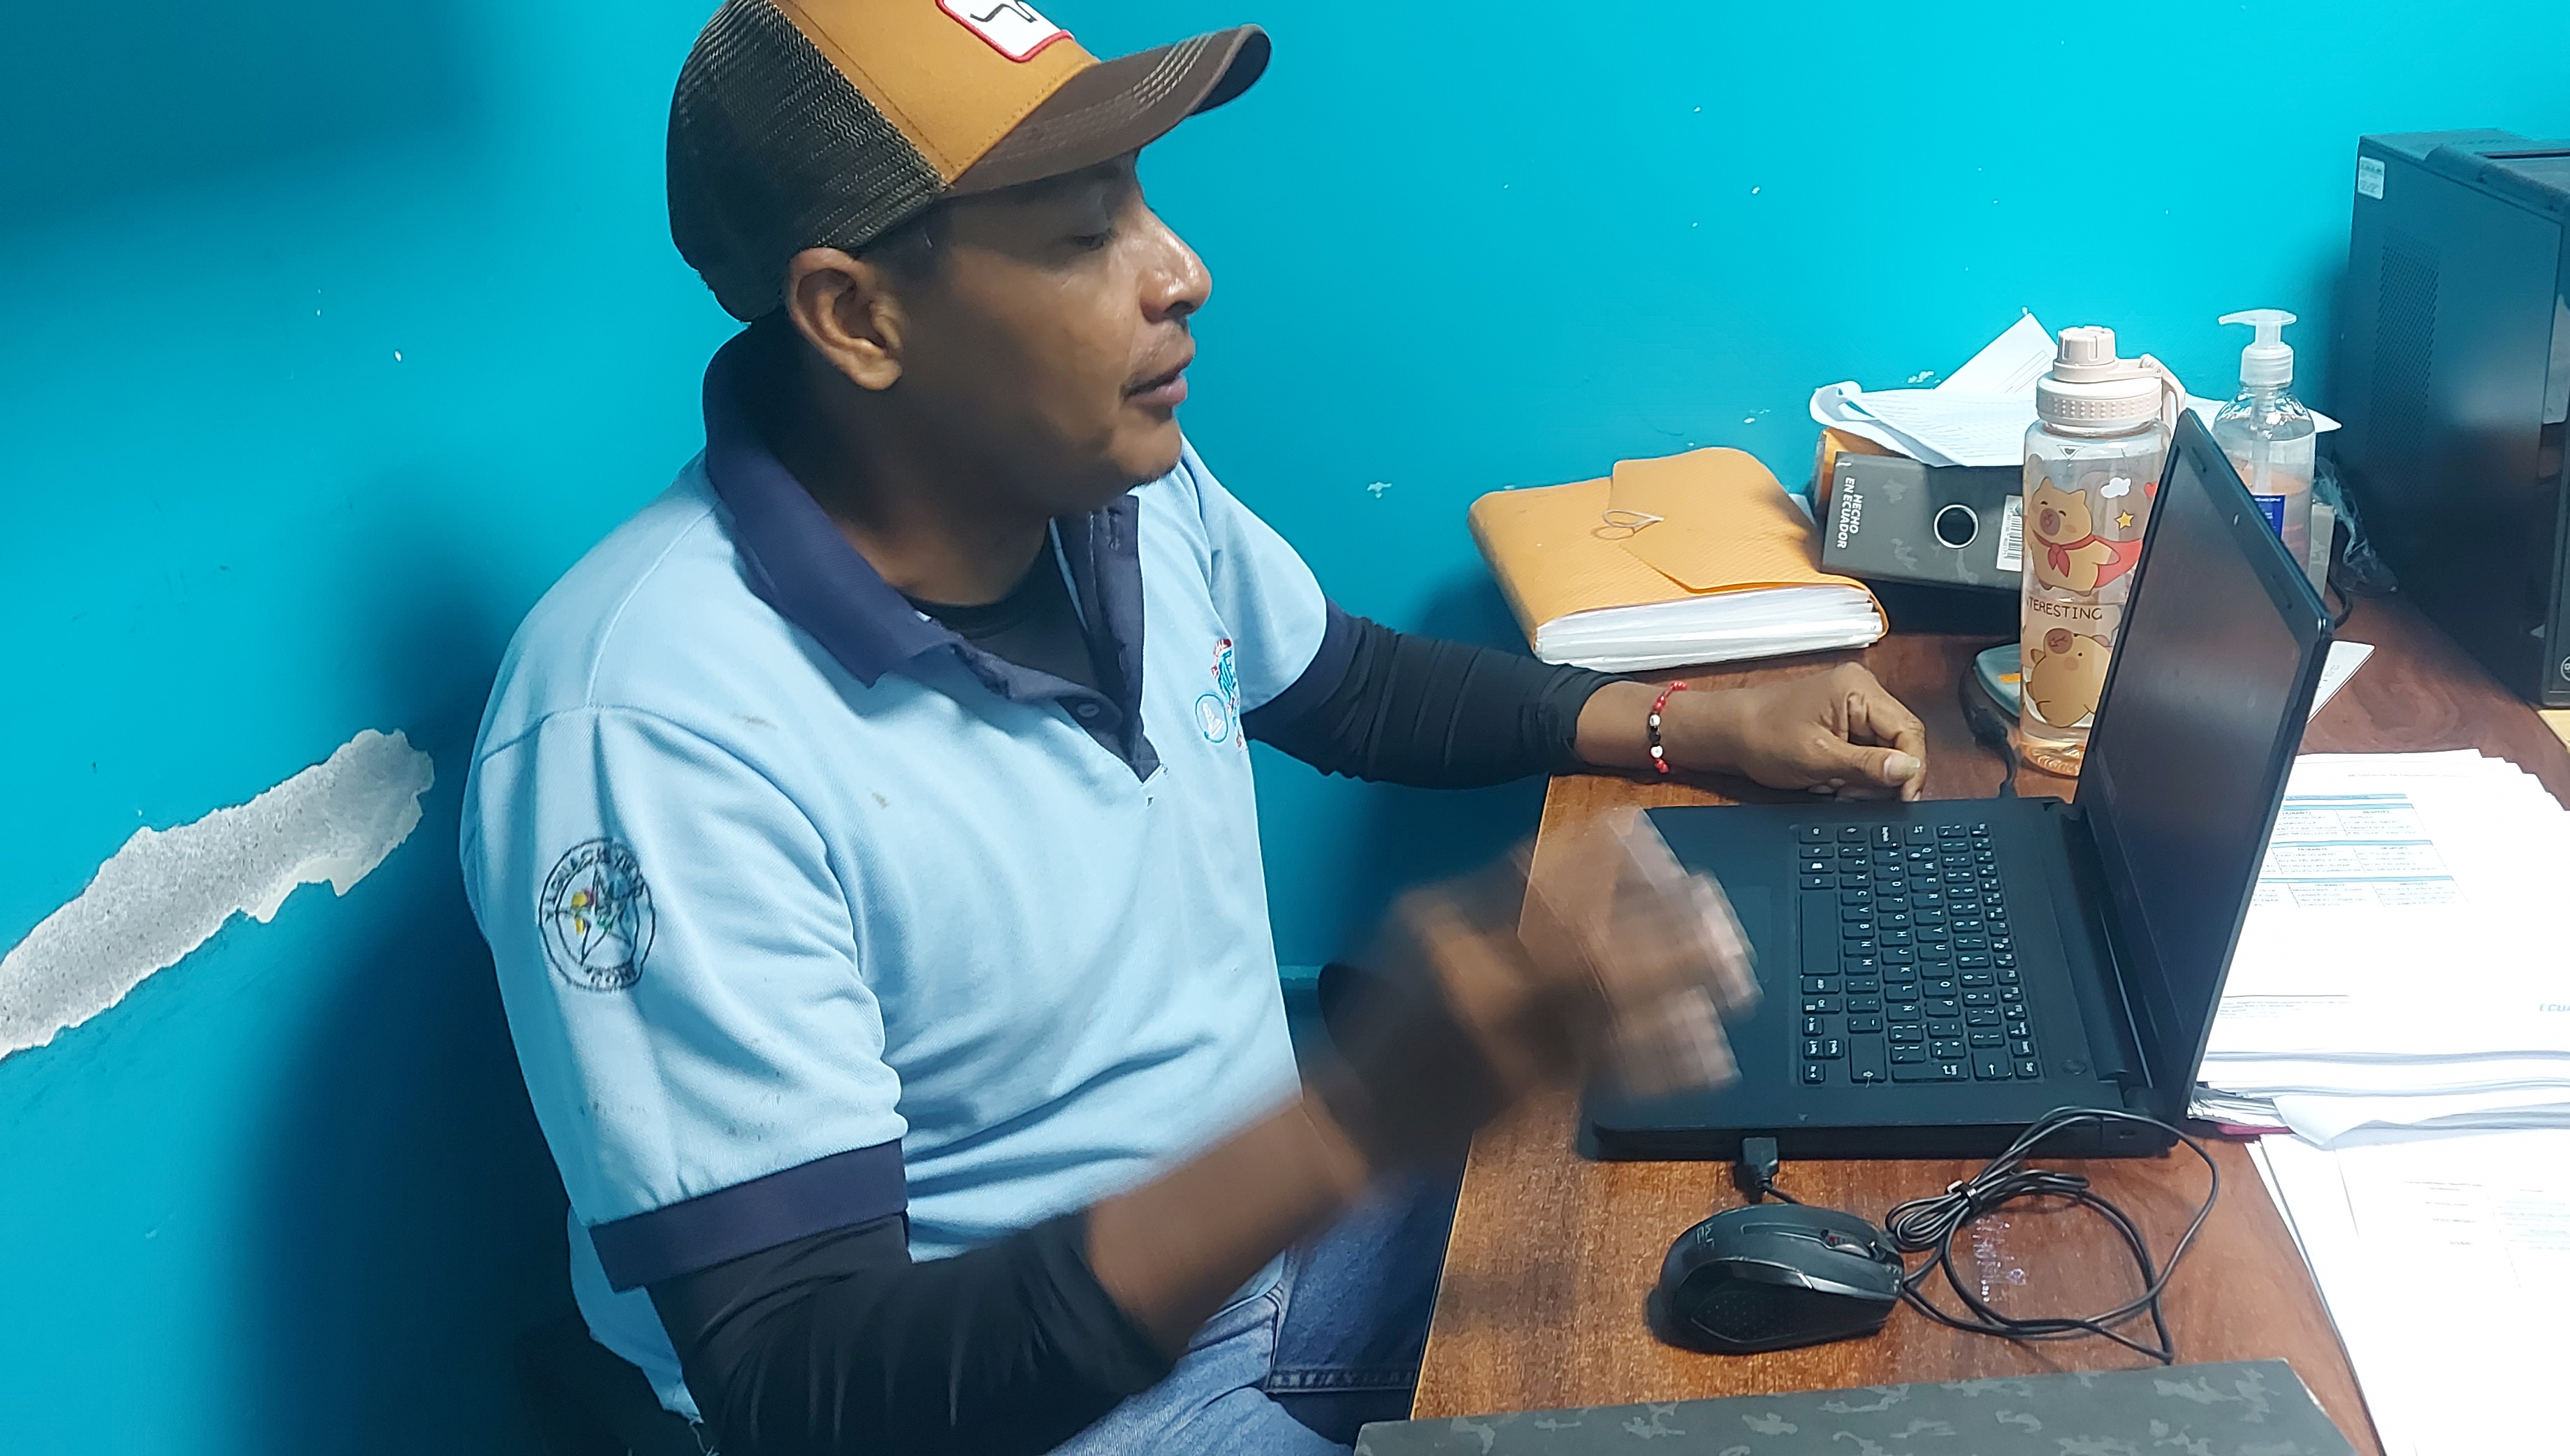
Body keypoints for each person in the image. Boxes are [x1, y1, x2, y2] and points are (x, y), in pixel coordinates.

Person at [459, 6, 1932, 1455]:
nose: (1182, 271)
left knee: (1858, 1291)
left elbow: (1344, 683)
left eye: (1142, 200)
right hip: (1050, 1404)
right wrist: (1362, 1116)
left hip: (1282, 1225)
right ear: (857, 315)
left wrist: (1697, 723)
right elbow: (808, 1392)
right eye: (1081, 231)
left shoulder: (1111, 480)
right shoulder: (644, 727)